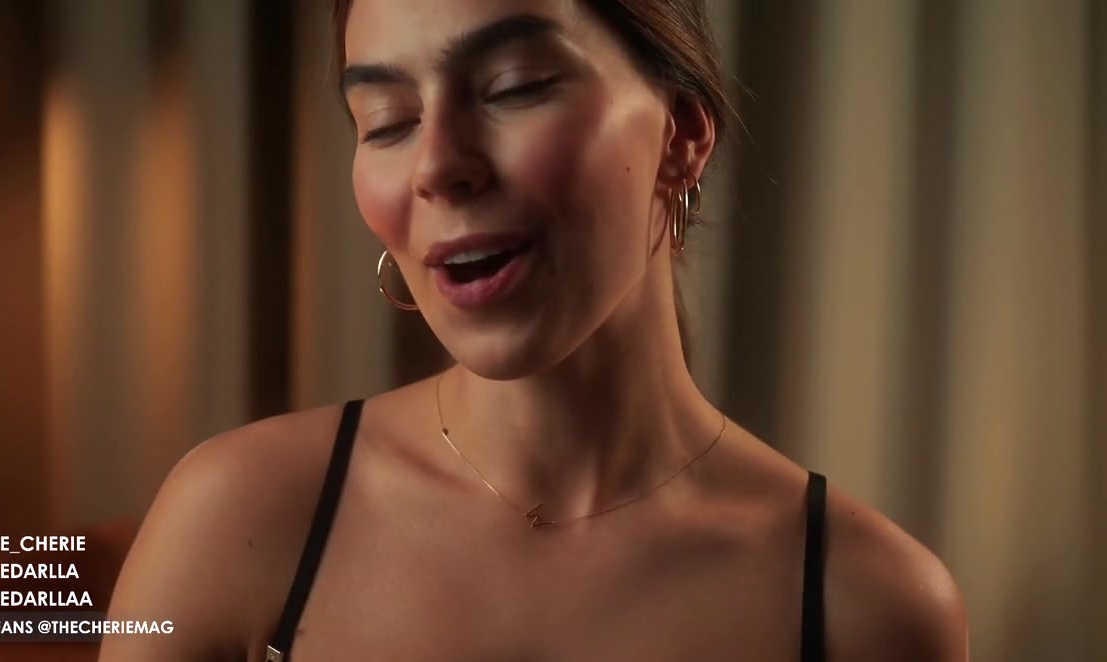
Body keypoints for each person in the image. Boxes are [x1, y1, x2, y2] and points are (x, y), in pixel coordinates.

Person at [100, 1, 969, 660]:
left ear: (682, 135)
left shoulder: (868, 606)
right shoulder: (238, 516)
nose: (438, 166)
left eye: (515, 88)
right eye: (388, 122)